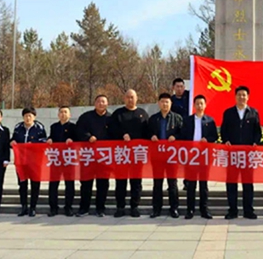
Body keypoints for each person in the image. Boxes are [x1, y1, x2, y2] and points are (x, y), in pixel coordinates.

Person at [220, 86, 262, 220]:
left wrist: (255, 142)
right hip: (232, 154)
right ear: (235, 96)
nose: (241, 97)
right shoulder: (228, 113)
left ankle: (248, 210)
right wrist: (226, 140)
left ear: (248, 97)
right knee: (231, 183)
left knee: (247, 183)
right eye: (239, 95)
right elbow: (223, 130)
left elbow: (258, 131)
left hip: (247, 155)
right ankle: (232, 210)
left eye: (244, 95)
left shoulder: (253, 113)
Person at [109, 89, 149, 218]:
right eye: (128, 97)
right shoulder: (118, 114)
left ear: (137, 98)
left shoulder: (142, 114)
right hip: (121, 153)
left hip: (137, 154)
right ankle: (120, 207)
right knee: (121, 181)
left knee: (136, 182)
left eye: (132, 97)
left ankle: (134, 206)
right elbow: (111, 130)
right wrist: (122, 135)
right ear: (124, 98)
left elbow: (147, 132)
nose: (130, 99)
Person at [178, 95, 218, 219]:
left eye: (201, 103)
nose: (199, 106)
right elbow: (182, 136)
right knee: (191, 184)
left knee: (203, 185)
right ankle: (190, 209)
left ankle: (204, 209)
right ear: (194, 105)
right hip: (191, 156)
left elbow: (215, 136)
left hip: (204, 156)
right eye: (197, 104)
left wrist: (207, 139)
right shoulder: (187, 120)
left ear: (205, 105)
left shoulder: (210, 121)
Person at [148, 93, 183, 218]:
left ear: (171, 103)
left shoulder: (177, 118)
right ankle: (156, 208)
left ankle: (174, 208)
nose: (165, 104)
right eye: (162, 102)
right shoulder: (153, 119)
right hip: (157, 156)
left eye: (167, 102)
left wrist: (176, 137)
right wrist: (151, 136)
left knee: (172, 183)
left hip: (172, 156)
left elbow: (183, 134)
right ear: (159, 103)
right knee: (157, 183)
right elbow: (146, 132)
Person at [76, 95, 111, 217]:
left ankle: (100, 208)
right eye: (98, 101)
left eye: (103, 101)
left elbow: (116, 133)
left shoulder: (111, 118)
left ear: (107, 104)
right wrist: (88, 137)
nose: (101, 104)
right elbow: (78, 130)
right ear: (94, 103)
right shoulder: (86, 117)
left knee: (103, 183)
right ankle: (84, 208)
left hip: (104, 156)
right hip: (88, 155)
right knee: (86, 182)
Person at [10, 107, 47, 217]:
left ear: (34, 117)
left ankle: (33, 207)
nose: (28, 118)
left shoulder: (39, 127)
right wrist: (12, 142)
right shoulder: (18, 127)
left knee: (35, 184)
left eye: (30, 116)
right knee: (22, 184)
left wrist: (33, 144)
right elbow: (13, 139)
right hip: (21, 161)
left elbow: (44, 141)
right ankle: (24, 207)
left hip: (35, 161)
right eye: (26, 116)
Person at [46, 106, 76, 217]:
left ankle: (68, 207)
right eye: (61, 112)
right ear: (58, 115)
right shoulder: (54, 127)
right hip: (56, 159)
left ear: (70, 115)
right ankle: (53, 207)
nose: (63, 114)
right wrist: (49, 139)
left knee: (69, 184)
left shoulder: (73, 127)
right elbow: (51, 137)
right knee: (53, 184)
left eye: (65, 112)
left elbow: (78, 140)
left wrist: (72, 140)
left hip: (69, 159)